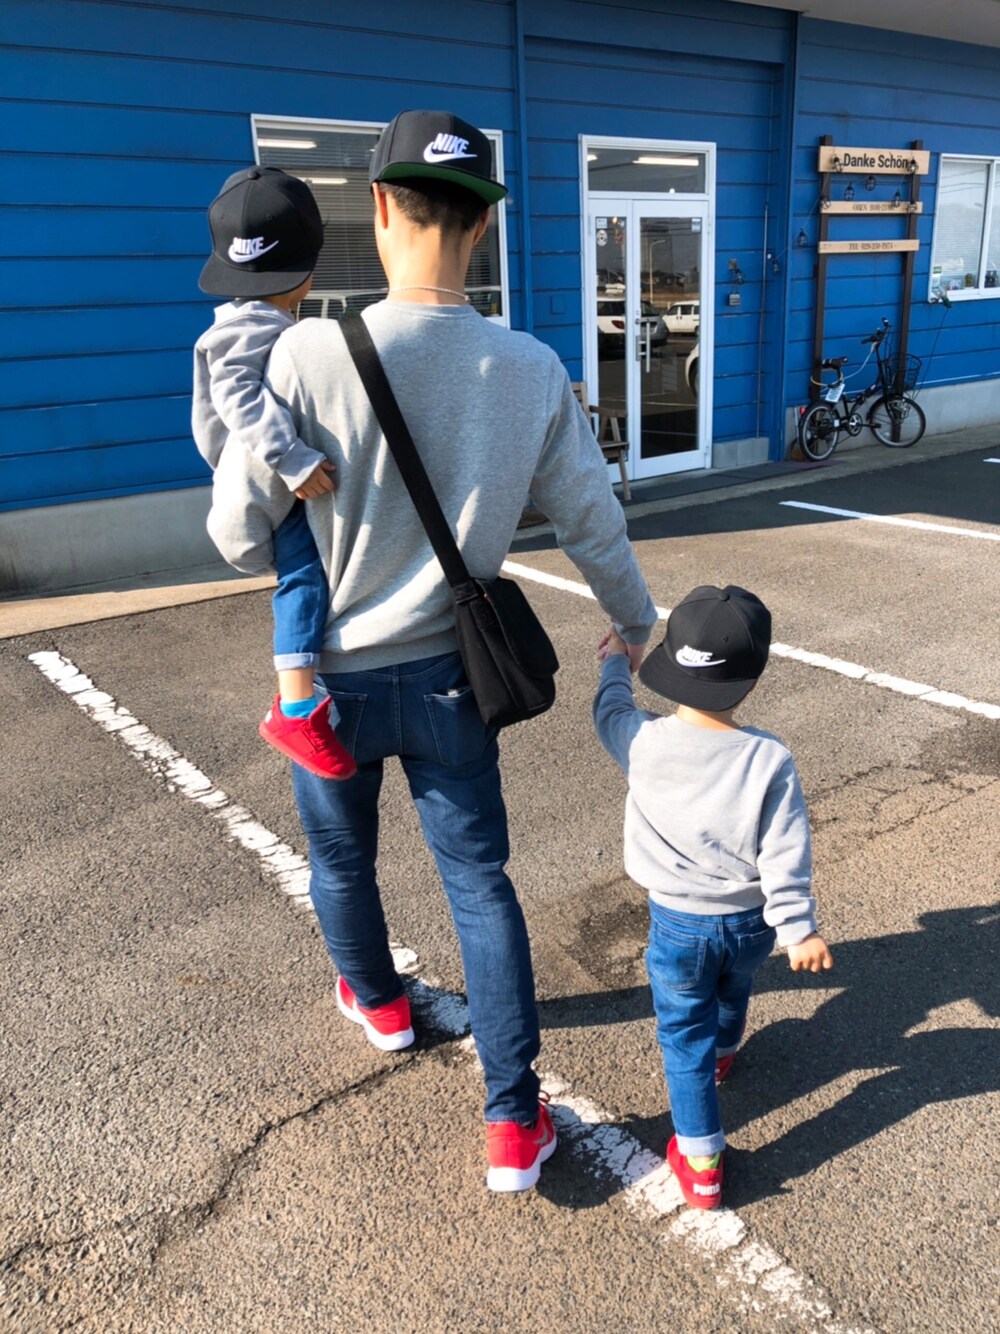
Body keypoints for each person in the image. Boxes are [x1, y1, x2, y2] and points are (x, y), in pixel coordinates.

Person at [210, 108, 658, 1193]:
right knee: (479, 884)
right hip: (457, 675)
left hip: (330, 684)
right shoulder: (529, 365)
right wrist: (635, 619)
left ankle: (377, 1004)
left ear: (377, 206)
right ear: (483, 224)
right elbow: (589, 515)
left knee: (340, 859)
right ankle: (512, 1122)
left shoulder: (306, 351)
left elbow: (235, 534)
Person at [593, 585, 833, 1210]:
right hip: (752, 922)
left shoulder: (640, 740)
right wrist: (797, 928)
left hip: (677, 923)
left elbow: (609, 708)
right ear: (749, 682)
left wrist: (615, 662)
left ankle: (701, 1160)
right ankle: (726, 1052)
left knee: (682, 1035)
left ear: (669, 665)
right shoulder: (767, 757)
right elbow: (786, 849)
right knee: (733, 984)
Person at [192, 165, 356, 781]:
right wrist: (292, 459)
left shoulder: (252, 320)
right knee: (304, 576)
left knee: (306, 575)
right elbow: (237, 396)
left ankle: (298, 690)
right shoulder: (254, 327)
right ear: (307, 271)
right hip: (266, 474)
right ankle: (295, 707)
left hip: (261, 471)